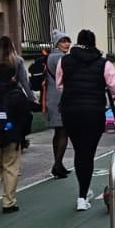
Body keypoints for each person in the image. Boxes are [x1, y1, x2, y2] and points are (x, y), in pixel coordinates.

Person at [57, 29, 115, 211]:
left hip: (70, 111)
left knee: (79, 151)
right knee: (88, 153)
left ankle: (84, 191)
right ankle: (82, 197)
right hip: (93, 112)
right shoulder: (103, 63)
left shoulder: (64, 61)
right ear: (94, 43)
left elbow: (60, 85)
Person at [0, 36, 33, 215]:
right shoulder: (17, 62)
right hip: (11, 124)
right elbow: (25, 83)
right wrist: (32, 101)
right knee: (11, 164)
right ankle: (9, 203)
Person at [45, 30, 73, 178]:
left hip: (51, 98)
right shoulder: (61, 58)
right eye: (63, 41)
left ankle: (59, 164)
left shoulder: (50, 56)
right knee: (63, 132)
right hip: (61, 99)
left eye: (68, 41)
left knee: (58, 132)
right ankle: (57, 166)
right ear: (57, 43)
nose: (67, 44)